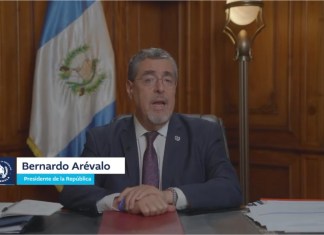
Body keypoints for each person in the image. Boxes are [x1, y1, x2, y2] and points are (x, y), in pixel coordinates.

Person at [59, 48, 242, 217]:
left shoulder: (203, 134)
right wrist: (124, 202)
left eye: (168, 80)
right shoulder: (104, 140)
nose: (160, 88)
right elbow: (74, 189)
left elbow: (229, 187)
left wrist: (167, 196)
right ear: (130, 89)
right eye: (149, 80)